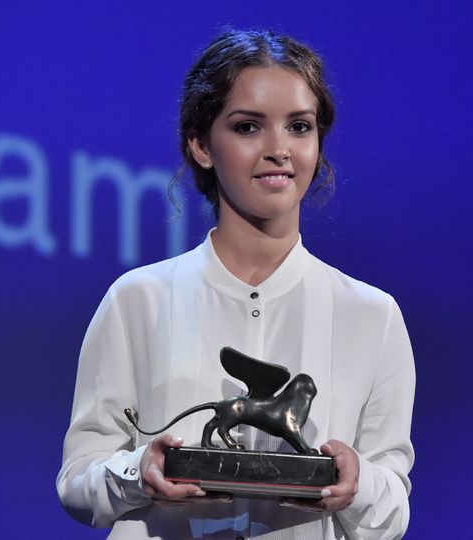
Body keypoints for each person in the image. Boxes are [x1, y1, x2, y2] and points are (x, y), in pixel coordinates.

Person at [57, 28, 415, 540]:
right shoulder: (137, 302)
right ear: (201, 145)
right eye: (248, 127)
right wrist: (142, 471)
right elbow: (77, 481)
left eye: (299, 126)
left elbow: (392, 513)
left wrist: (358, 484)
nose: (279, 149)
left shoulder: (372, 315)